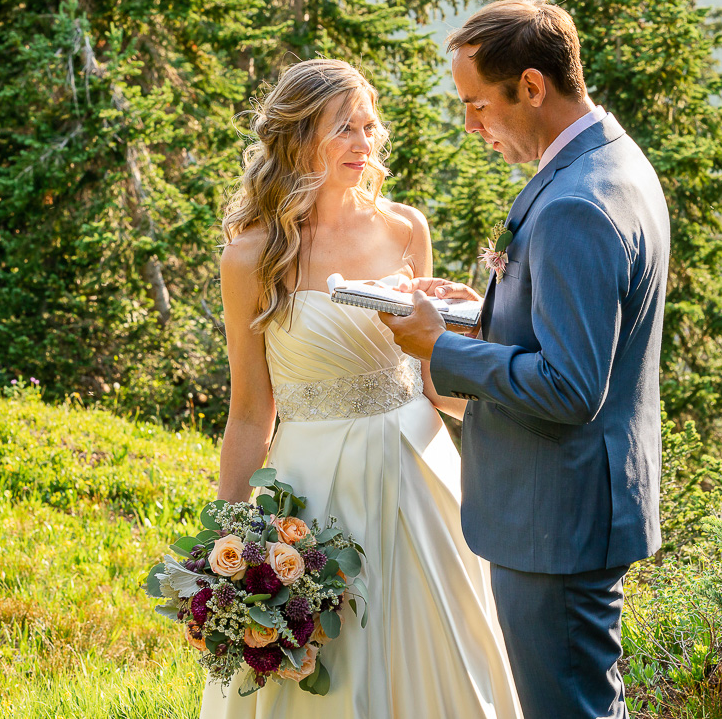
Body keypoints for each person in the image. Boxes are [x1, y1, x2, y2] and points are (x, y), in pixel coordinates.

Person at [202, 58, 521, 719]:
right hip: (313, 492)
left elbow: (435, 382)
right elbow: (249, 412)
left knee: (445, 654)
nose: (365, 143)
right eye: (344, 127)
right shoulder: (251, 257)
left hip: (422, 475)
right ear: (297, 136)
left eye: (370, 126)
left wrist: (504, 377)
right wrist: (224, 553)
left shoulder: (406, 228)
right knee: (329, 665)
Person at [381, 0, 670, 719]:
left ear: (533, 86)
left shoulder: (576, 201)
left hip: (557, 518)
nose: (471, 125)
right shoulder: (613, 160)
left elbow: (571, 386)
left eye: (478, 105)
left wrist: (438, 347)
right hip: (574, 508)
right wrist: (479, 317)